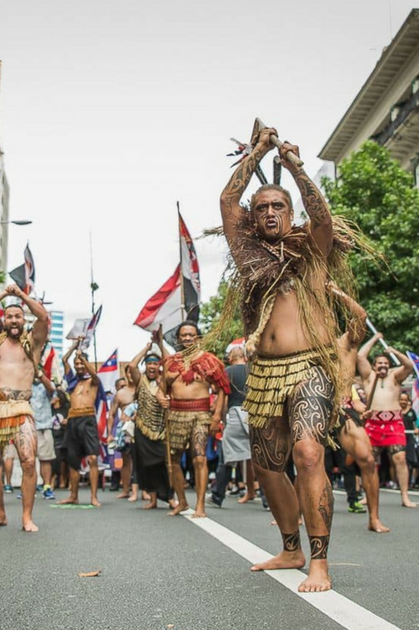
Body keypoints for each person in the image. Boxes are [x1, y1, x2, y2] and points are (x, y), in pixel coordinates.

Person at [213, 124, 365, 592]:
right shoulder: (248, 256)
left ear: (290, 212)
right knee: (267, 466)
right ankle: (291, 548)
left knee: (308, 451)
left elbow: (322, 216)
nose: (270, 213)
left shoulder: (314, 252)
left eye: (278, 206)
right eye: (262, 208)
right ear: (253, 218)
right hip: (264, 373)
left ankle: (320, 561)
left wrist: (294, 167)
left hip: (309, 367)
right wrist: (258, 151)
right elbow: (227, 201)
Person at [0, 284, 49, 531]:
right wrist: (6, 294)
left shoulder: (33, 341)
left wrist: (21, 295)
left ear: (24, 319)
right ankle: (0, 514)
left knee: (28, 462)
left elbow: (43, 317)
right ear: (4, 320)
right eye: (10, 316)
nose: (14, 320)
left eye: (18, 316)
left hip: (21, 409)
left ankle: (27, 517)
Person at [332, 287, 389, 532]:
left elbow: (361, 316)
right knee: (306, 463)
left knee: (366, 459)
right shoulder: (307, 346)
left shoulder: (346, 343)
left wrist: (336, 292)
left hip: (344, 409)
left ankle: (374, 518)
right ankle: (296, 516)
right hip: (314, 409)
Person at [158, 322, 228, 519]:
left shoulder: (209, 361)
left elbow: (222, 389)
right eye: (184, 335)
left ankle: (200, 506)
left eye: (191, 335)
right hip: (175, 415)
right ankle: (182, 501)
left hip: (200, 414)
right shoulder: (170, 362)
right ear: (178, 338)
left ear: (198, 337)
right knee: (172, 460)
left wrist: (216, 417)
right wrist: (161, 398)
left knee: (199, 458)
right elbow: (161, 389)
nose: (187, 338)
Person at [356, 333, 419, 509]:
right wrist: (375, 338)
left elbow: (409, 365)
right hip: (373, 422)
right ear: (374, 366)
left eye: (385, 363)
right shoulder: (368, 376)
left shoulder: (395, 377)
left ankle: (405, 496)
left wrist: (395, 352)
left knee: (400, 458)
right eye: (379, 363)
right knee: (369, 461)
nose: (383, 366)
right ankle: (368, 494)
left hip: (393, 422)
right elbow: (360, 356)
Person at [126, 332, 172, 510]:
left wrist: (160, 344)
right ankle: (153, 499)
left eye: (155, 363)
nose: (152, 366)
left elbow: (171, 362)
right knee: (147, 465)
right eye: (149, 363)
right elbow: (132, 365)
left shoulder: (164, 381)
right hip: (142, 429)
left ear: (159, 366)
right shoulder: (140, 381)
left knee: (164, 464)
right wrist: (147, 348)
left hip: (160, 429)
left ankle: (170, 497)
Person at [59, 339, 103, 507]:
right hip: (73, 421)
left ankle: (93, 497)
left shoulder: (93, 381)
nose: (78, 366)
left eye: (81, 363)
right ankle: (73, 496)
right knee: (73, 460)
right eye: (76, 364)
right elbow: (64, 360)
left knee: (92, 458)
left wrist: (82, 358)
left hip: (88, 419)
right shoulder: (72, 381)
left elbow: (95, 375)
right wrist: (74, 347)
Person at [211, 347, 256, 507]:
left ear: (231, 358)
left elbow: (222, 399)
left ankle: (217, 495)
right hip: (254, 414)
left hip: (236, 413)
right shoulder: (253, 370)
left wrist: (222, 419)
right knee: (256, 458)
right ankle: (263, 498)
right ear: (245, 357)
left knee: (227, 457)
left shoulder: (227, 372)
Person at [29, 367, 58, 501]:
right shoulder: (25, 385)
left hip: (44, 426)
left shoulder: (45, 386)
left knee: (45, 459)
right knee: (28, 460)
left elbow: (52, 389)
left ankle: (47, 487)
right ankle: (29, 487)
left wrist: (39, 374)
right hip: (28, 427)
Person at [108, 376, 135, 500]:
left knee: (142, 459)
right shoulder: (120, 395)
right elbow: (112, 414)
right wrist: (110, 434)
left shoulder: (142, 389)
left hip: (142, 426)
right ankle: (125, 490)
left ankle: (146, 491)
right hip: (126, 429)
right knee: (126, 459)